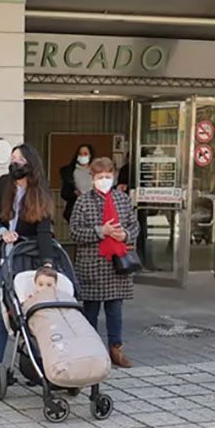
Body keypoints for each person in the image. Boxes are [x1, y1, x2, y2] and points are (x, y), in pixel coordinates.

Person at [0, 143, 57, 391]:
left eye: (20, 159)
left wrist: (47, 264)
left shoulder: (40, 191)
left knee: (28, 314)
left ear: (31, 164)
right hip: (1, 259)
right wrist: (2, 231)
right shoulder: (4, 183)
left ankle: (35, 365)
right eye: (13, 159)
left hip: (25, 261)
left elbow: (44, 231)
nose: (15, 163)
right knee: (0, 315)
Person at [67, 157, 140, 368]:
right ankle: (90, 349)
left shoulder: (122, 199)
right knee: (90, 311)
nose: (104, 180)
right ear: (93, 178)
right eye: (100, 177)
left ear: (114, 176)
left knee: (115, 309)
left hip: (118, 265)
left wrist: (125, 235)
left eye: (108, 176)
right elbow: (74, 232)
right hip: (92, 265)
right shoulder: (83, 201)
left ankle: (115, 348)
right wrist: (102, 231)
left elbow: (135, 226)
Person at [59, 143, 94, 226]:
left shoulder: (96, 171)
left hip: (94, 210)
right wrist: (74, 193)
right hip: (76, 210)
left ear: (90, 156)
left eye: (85, 154)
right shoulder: (70, 172)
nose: (82, 156)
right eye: (80, 154)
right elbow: (64, 193)